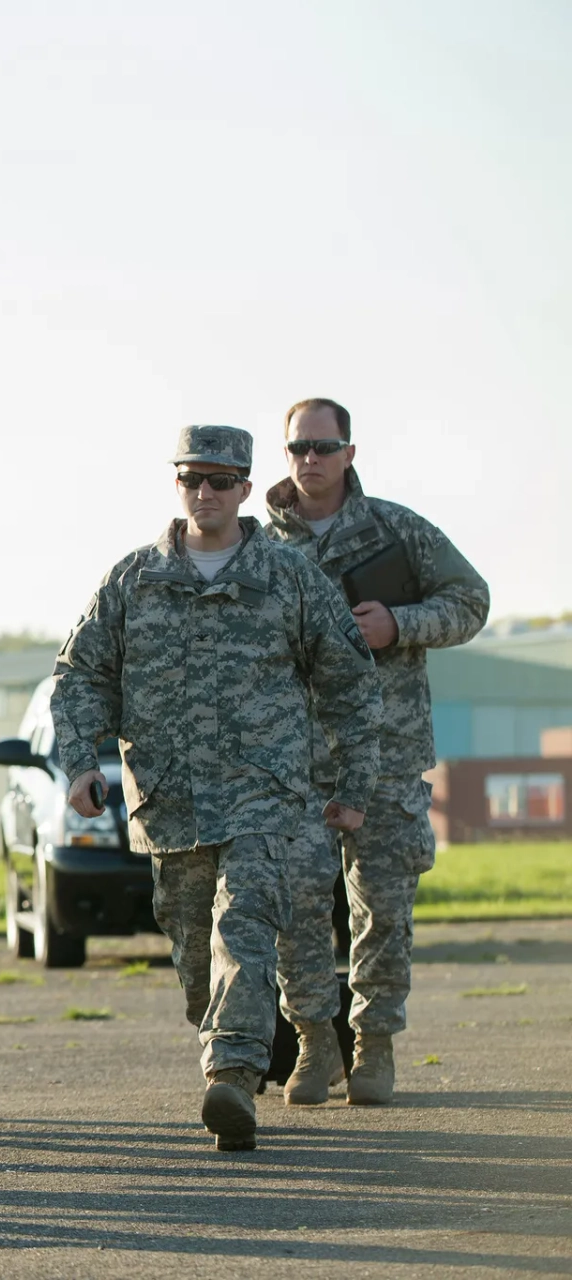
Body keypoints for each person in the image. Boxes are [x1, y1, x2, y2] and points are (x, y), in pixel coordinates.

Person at [51, 424, 382, 1151]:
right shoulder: (133, 579)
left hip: (266, 797)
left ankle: (231, 1079)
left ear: (244, 486)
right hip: (168, 803)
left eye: (223, 481)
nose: (207, 492)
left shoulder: (289, 576)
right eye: (193, 478)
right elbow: (80, 676)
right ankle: (251, 1042)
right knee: (196, 956)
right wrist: (79, 763)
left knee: (246, 931)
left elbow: (351, 683)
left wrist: (354, 784)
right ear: (177, 484)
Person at [266, 398, 490, 1106]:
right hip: (292, 761)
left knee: (382, 909)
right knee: (295, 910)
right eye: (299, 447)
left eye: (324, 447)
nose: (311, 459)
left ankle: (375, 1044)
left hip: (387, 756)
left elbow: (472, 600)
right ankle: (313, 1042)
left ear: (350, 453)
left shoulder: (397, 530)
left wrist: (400, 623)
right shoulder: (259, 545)